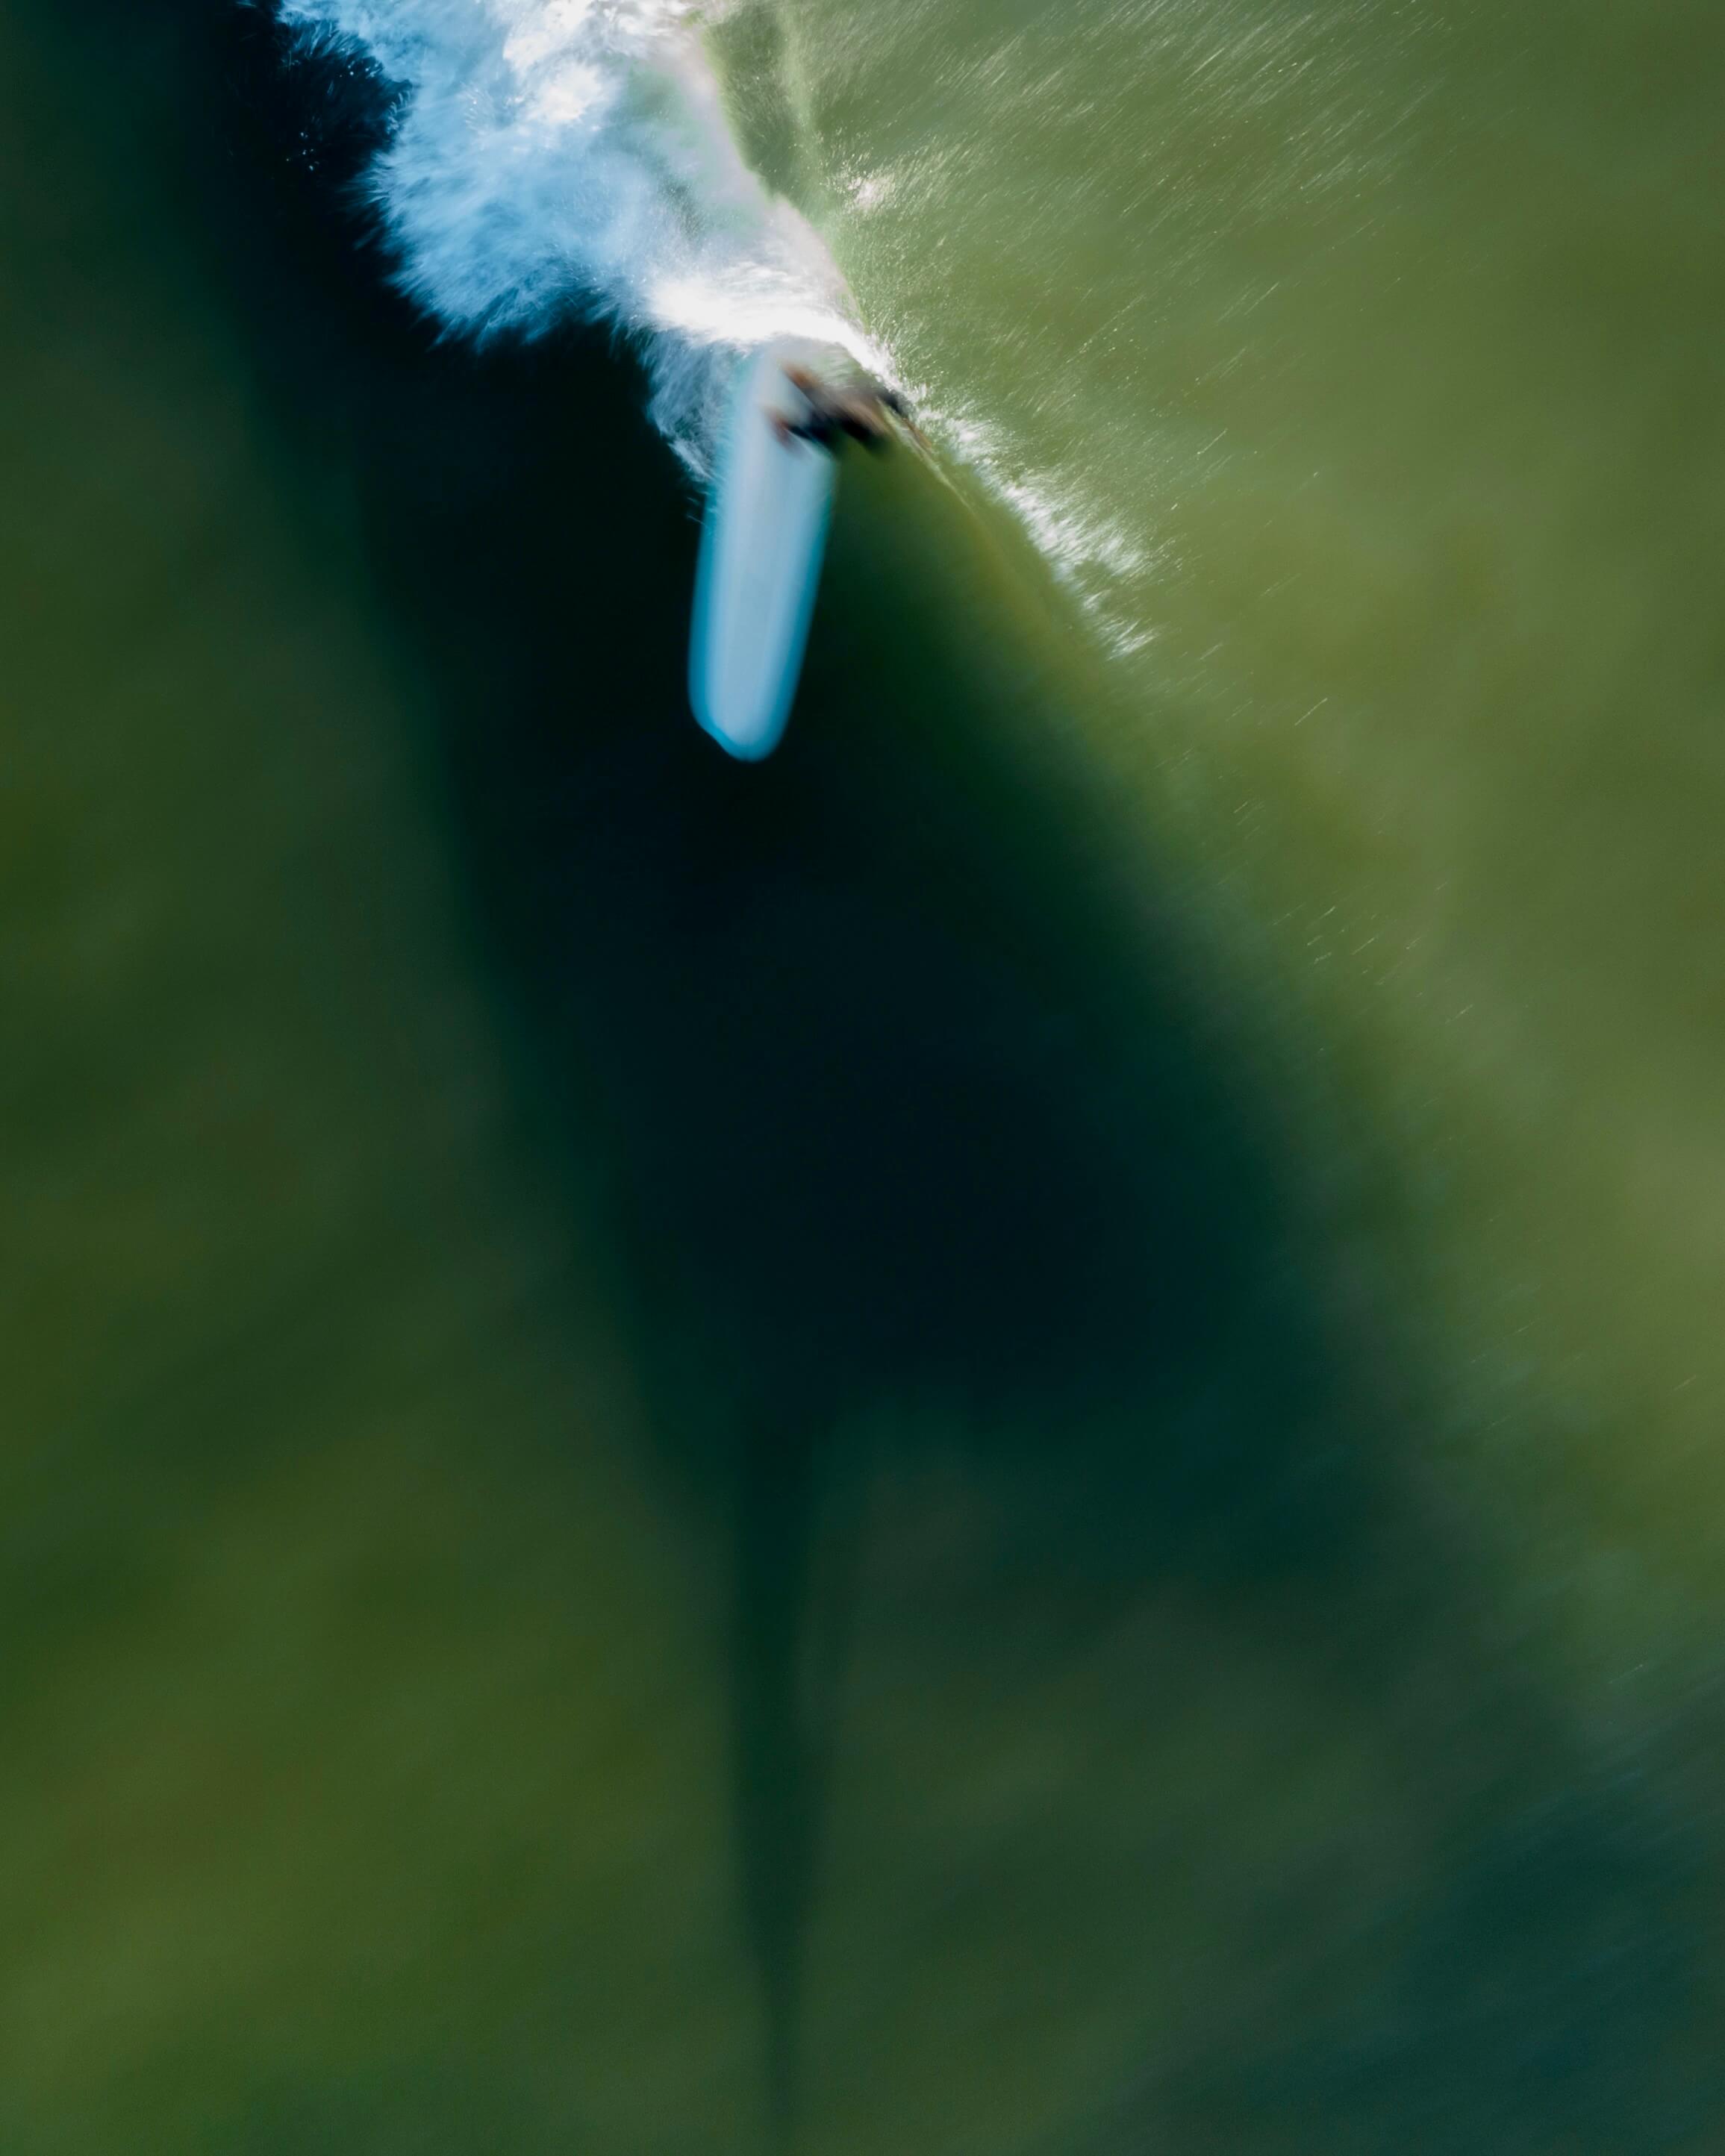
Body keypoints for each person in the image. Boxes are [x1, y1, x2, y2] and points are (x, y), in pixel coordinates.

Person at [769, 363, 920, 454]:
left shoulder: (864, 413)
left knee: (829, 437)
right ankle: (783, 422)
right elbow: (888, 397)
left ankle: (785, 421)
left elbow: (889, 396)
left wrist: (909, 424)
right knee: (826, 435)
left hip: (834, 407)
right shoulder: (856, 416)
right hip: (829, 407)